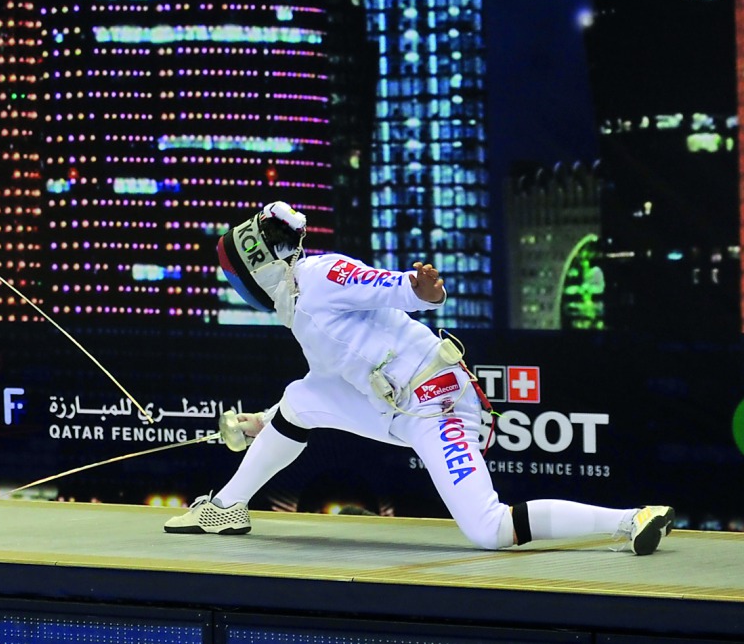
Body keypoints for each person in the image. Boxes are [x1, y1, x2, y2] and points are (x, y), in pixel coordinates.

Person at [164, 202, 675, 555]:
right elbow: (326, 389)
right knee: (298, 400)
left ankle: (630, 519)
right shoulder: (301, 313)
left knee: (489, 529)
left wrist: (421, 289)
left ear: (260, 266)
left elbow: (390, 287)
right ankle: (227, 507)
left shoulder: (321, 274)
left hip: (437, 402)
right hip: (395, 408)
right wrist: (260, 422)